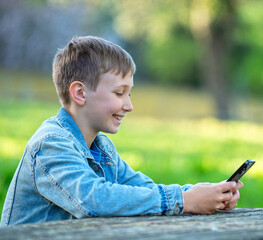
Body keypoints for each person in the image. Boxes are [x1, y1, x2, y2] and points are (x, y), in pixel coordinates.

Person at [0, 36, 243, 226]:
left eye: (129, 93)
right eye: (119, 93)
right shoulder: (51, 144)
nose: (129, 105)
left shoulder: (101, 147)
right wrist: (184, 201)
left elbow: (140, 188)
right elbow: (93, 200)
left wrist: (203, 194)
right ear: (80, 93)